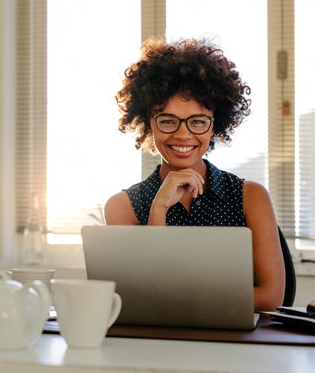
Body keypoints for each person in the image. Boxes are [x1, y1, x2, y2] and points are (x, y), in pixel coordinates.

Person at [104, 37, 285, 312]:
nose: (183, 134)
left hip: (237, 344)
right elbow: (140, 294)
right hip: (158, 345)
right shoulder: (122, 207)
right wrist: (159, 210)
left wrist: (182, 300)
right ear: (149, 124)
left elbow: (271, 297)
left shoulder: (251, 197)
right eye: (168, 120)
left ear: (215, 126)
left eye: (198, 121)